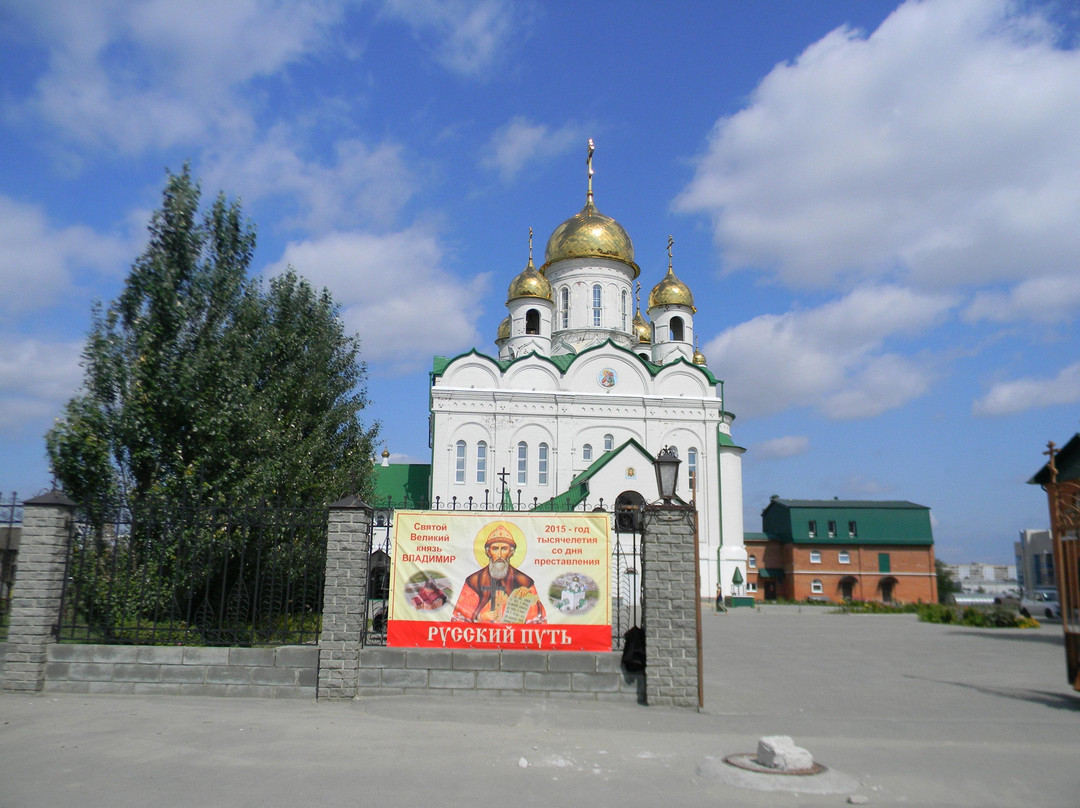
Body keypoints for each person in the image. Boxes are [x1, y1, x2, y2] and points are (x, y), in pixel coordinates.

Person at [452, 524, 546, 624]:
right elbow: (459, 617)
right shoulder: (474, 581)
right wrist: (480, 617)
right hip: (483, 636)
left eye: (504, 549)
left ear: (511, 552)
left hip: (513, 636)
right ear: (488, 552)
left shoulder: (523, 581)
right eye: (495, 549)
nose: (500, 555)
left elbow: (539, 619)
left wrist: (529, 600)